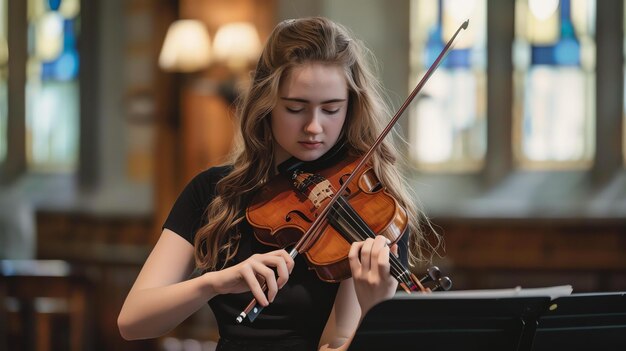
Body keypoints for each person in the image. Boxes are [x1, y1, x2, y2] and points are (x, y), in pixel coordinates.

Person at [118, 16, 436, 351]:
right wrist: (215, 282)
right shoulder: (214, 192)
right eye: (295, 108)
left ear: (352, 108)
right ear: (266, 103)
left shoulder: (372, 208)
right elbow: (132, 322)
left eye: (331, 109)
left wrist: (373, 308)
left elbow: (335, 344)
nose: (314, 127)